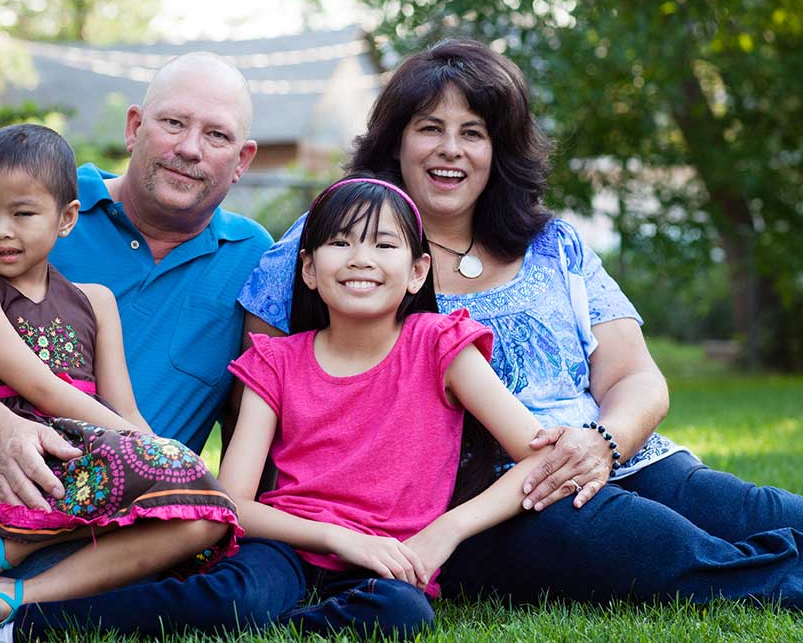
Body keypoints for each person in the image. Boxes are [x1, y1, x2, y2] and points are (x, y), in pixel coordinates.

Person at [237, 39, 803, 608]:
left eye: (474, 132)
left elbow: (637, 377)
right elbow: (268, 394)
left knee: (762, 512)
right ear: (396, 143)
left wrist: (603, 445)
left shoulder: (554, 245)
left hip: (614, 455)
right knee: (685, 559)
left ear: (499, 149)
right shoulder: (328, 244)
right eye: (430, 128)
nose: (450, 150)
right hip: (483, 504)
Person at [0, 52, 302, 639]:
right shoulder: (20, 202)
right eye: (173, 123)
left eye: (216, 134)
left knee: (126, 576)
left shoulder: (253, 261)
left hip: (98, 530)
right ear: (134, 126)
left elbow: (270, 410)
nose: (190, 148)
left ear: (243, 159)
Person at [0, 123, 241, 640]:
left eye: (22, 213)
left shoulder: (95, 301)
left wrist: (161, 451)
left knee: (207, 515)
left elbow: (125, 406)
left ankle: (11, 593)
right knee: (177, 479)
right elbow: (46, 392)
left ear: (66, 218)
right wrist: (148, 452)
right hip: (29, 463)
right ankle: (1, 546)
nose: (0, 230)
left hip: (90, 454)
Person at [220, 175, 553, 639]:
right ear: (309, 269)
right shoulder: (274, 360)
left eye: (383, 244)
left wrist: (448, 530)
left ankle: (279, 628)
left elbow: (540, 455)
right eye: (340, 242)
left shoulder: (441, 345)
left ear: (418, 271)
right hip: (287, 544)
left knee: (401, 614)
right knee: (233, 597)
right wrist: (338, 537)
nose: (361, 258)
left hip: (388, 562)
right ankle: (81, 609)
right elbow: (232, 503)